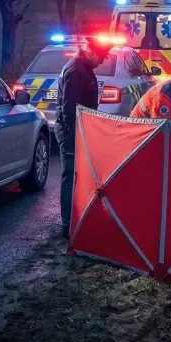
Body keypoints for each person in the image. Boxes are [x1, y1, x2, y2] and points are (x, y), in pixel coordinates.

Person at [54, 36, 113, 239]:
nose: (102, 61)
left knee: (78, 177)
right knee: (70, 176)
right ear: (89, 51)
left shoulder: (83, 68)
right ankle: (68, 226)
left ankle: (76, 221)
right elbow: (69, 110)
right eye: (101, 56)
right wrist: (77, 135)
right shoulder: (76, 71)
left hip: (79, 130)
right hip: (71, 132)